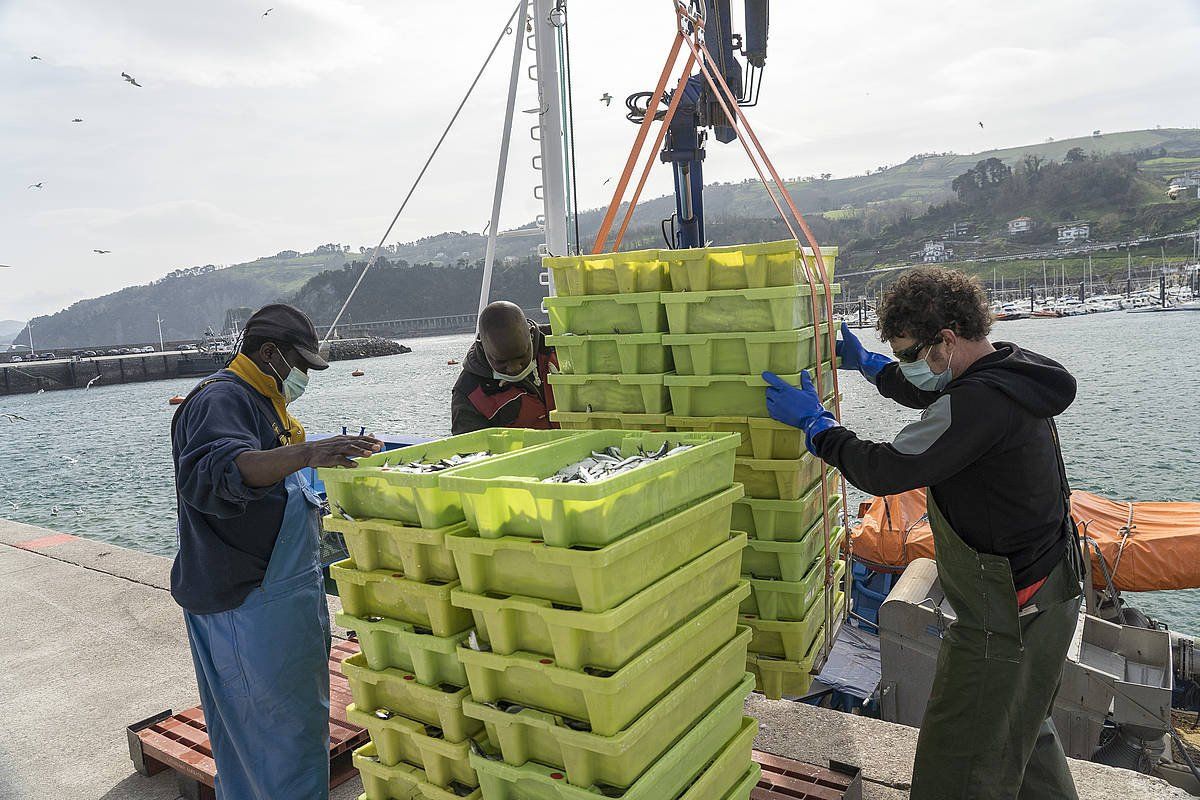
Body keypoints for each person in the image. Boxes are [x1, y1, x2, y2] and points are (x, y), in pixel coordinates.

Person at [762, 267, 1083, 800]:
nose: (912, 366)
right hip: (1049, 593)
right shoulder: (1009, 368)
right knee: (1019, 728)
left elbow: (886, 470)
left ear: (948, 340)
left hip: (1006, 612)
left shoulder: (978, 402)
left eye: (914, 354)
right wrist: (872, 368)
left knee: (955, 762)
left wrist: (817, 428)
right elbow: (936, 395)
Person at [170, 303, 381, 800]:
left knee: (273, 736)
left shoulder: (265, 399)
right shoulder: (221, 399)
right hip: (245, 604)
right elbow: (214, 474)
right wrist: (308, 453)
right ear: (268, 353)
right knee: (273, 737)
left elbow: (276, 480)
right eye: (300, 364)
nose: (304, 375)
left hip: (279, 594)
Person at [451, 300, 558, 434]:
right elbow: (469, 449)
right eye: (502, 361)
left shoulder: (561, 344)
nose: (514, 368)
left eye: (521, 356)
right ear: (483, 346)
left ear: (530, 334)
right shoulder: (469, 393)